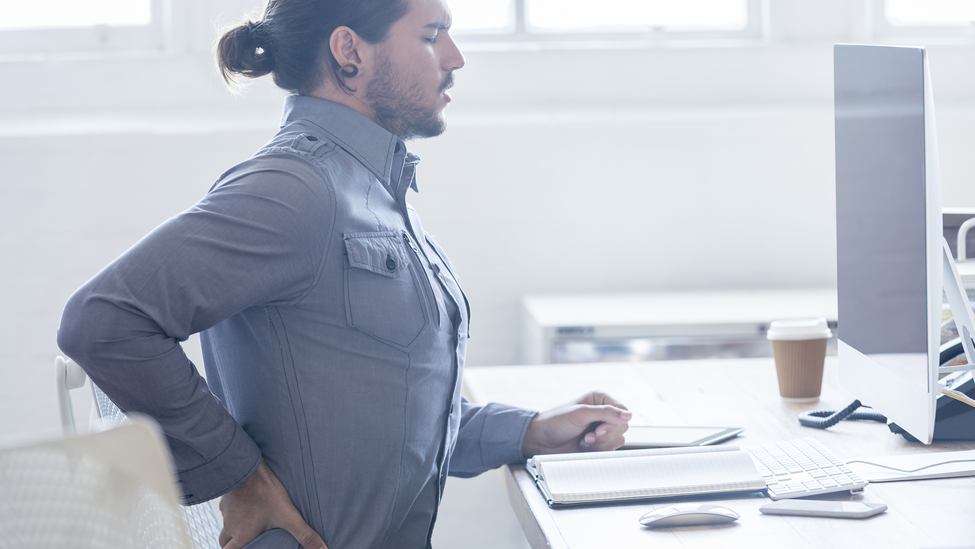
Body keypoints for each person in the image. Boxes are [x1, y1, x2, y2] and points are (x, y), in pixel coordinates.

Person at [57, 0, 631, 547]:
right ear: (349, 52)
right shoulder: (296, 190)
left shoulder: (373, 189)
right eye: (431, 36)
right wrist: (239, 476)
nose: (455, 58)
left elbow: (382, 421)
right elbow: (104, 319)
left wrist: (529, 431)